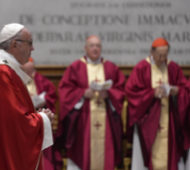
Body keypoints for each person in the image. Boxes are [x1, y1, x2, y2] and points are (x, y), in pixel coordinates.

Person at [0, 23, 54, 170]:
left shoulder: (1, 70)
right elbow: (15, 122)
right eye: (29, 43)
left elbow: (9, 117)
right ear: (15, 45)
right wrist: (42, 118)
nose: (32, 48)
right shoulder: (2, 73)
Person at [58, 35, 125, 170]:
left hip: (106, 120)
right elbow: (65, 90)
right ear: (86, 48)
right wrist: (82, 94)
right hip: (83, 119)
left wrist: (109, 94)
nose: (95, 49)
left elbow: (121, 89)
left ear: (101, 48)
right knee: (83, 151)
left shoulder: (110, 67)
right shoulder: (76, 67)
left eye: (98, 46)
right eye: (92, 46)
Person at [126, 38, 190, 170]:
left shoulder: (172, 67)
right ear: (151, 52)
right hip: (147, 123)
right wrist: (152, 94)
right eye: (160, 55)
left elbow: (185, 90)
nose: (162, 58)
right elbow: (131, 92)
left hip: (169, 121)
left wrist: (177, 91)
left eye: (165, 55)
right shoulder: (141, 68)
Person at [21, 57, 59, 170]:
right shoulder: (15, 80)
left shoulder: (41, 80)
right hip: (23, 123)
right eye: (26, 72)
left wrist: (44, 100)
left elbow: (52, 94)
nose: (29, 74)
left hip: (39, 122)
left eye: (30, 71)